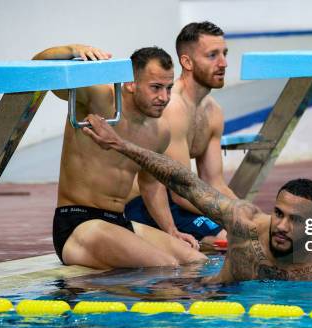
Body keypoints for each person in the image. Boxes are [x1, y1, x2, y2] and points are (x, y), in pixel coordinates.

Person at [82, 115, 312, 282]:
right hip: (214, 303)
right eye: (279, 213)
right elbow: (186, 182)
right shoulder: (246, 224)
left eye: (295, 220)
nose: (281, 226)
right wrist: (120, 145)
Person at [33, 44, 206, 269]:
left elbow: (151, 185)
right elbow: (39, 68)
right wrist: (72, 49)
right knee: (166, 266)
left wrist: (171, 230)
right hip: (79, 223)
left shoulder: (159, 131)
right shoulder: (99, 99)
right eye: (155, 88)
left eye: (168, 88)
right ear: (131, 83)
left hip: (119, 221)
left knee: (196, 261)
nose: (164, 97)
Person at [125, 21, 235, 249]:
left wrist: (249, 213)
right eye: (212, 55)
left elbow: (215, 182)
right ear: (187, 61)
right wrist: (235, 215)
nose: (223, 63)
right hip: (145, 204)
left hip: (182, 200)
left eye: (224, 54)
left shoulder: (213, 111)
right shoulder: (172, 106)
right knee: (229, 239)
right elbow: (181, 193)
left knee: (254, 230)